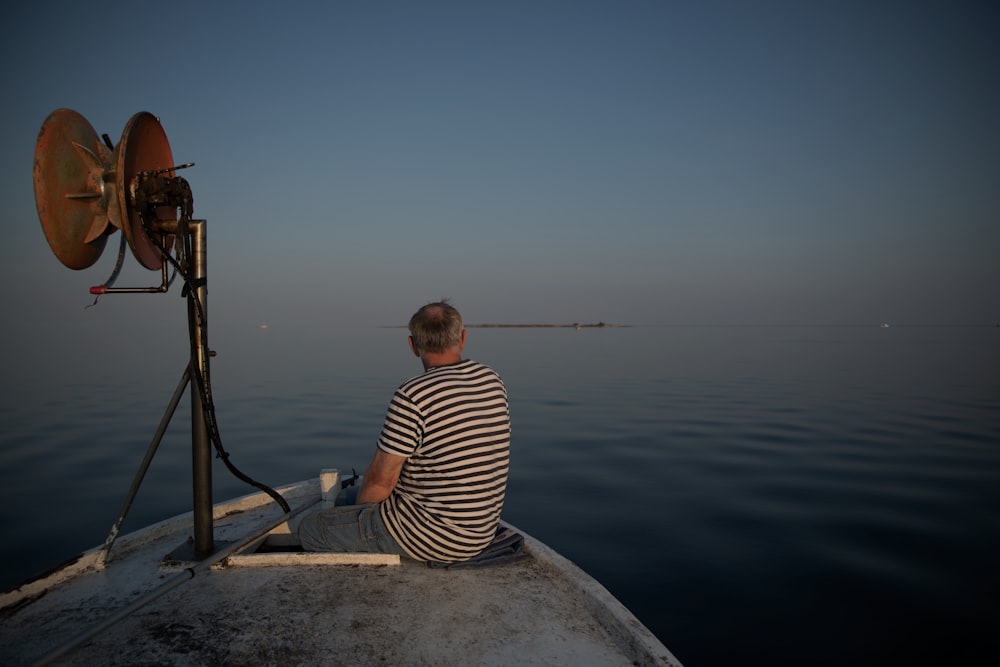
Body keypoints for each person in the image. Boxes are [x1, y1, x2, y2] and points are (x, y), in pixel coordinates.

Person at [298, 300, 511, 563]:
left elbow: (380, 482)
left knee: (311, 528)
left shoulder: (414, 395)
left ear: (412, 346)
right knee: (349, 497)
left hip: (435, 538)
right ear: (463, 338)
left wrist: (359, 522)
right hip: (482, 532)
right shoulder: (491, 379)